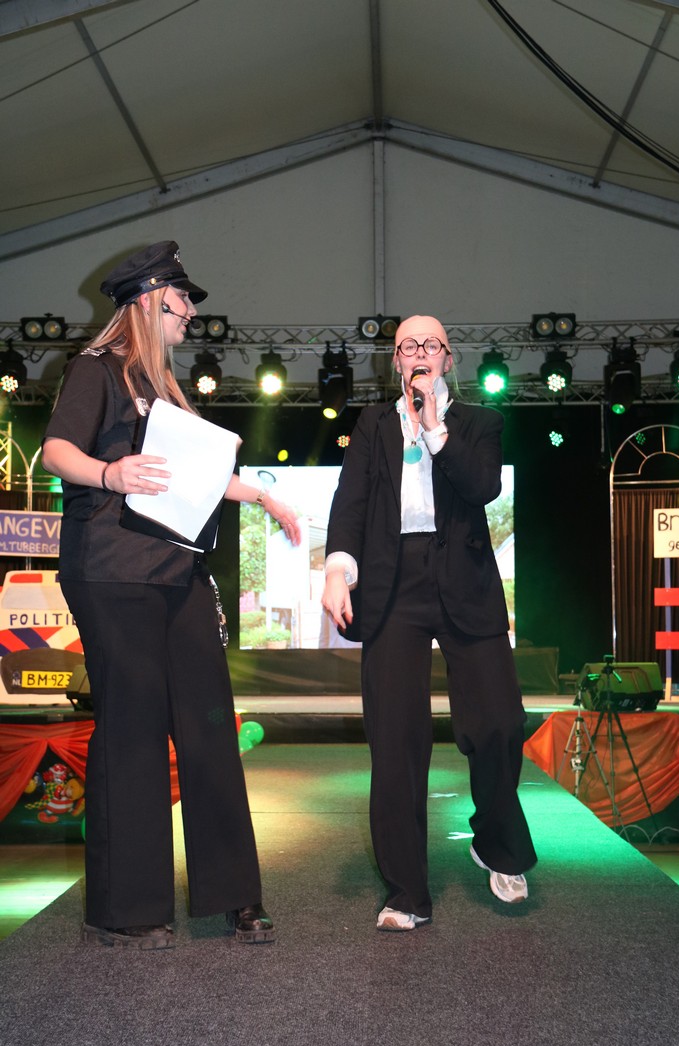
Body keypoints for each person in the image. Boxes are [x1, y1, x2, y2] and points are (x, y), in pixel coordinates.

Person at [42, 240, 300, 948]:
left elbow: (195, 477)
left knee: (210, 723)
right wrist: (109, 472)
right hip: (112, 572)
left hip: (177, 573)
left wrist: (265, 498)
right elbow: (56, 451)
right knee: (131, 731)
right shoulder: (96, 369)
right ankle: (128, 906)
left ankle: (234, 896)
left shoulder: (166, 390)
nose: (191, 312)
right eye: (184, 300)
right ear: (153, 299)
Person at [321, 315, 537, 931]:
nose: (419, 351)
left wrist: (436, 429)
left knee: (498, 723)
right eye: (408, 345)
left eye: (431, 344)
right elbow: (350, 503)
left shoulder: (478, 422)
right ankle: (406, 891)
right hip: (394, 582)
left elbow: (483, 486)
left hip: (465, 581)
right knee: (396, 738)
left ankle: (496, 844)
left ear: (447, 358)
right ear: (395, 360)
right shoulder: (371, 425)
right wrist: (337, 570)